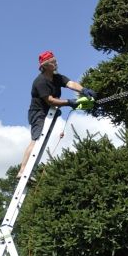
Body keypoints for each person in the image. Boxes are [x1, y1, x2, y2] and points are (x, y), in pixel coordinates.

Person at [16, 50, 96, 179]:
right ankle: (22, 171)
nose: (56, 63)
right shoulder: (40, 81)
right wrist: (69, 102)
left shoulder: (57, 77)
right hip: (39, 113)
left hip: (50, 113)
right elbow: (50, 100)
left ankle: (31, 170)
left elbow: (70, 83)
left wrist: (83, 90)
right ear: (45, 65)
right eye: (53, 62)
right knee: (36, 140)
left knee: (42, 142)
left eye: (55, 61)